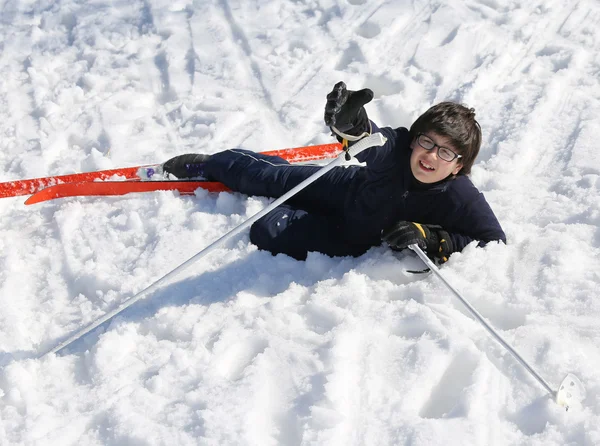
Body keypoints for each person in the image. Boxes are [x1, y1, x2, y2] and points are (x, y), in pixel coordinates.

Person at [163, 82, 506, 262]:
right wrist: (350, 126)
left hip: (352, 235)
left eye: (445, 152)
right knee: (269, 177)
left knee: (266, 231)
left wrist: (430, 237)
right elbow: (373, 140)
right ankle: (211, 163)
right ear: (415, 140)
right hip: (348, 188)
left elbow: (493, 242)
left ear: (459, 165)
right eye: (427, 142)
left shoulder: (461, 198)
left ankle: (298, 208)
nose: (431, 156)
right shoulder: (398, 149)